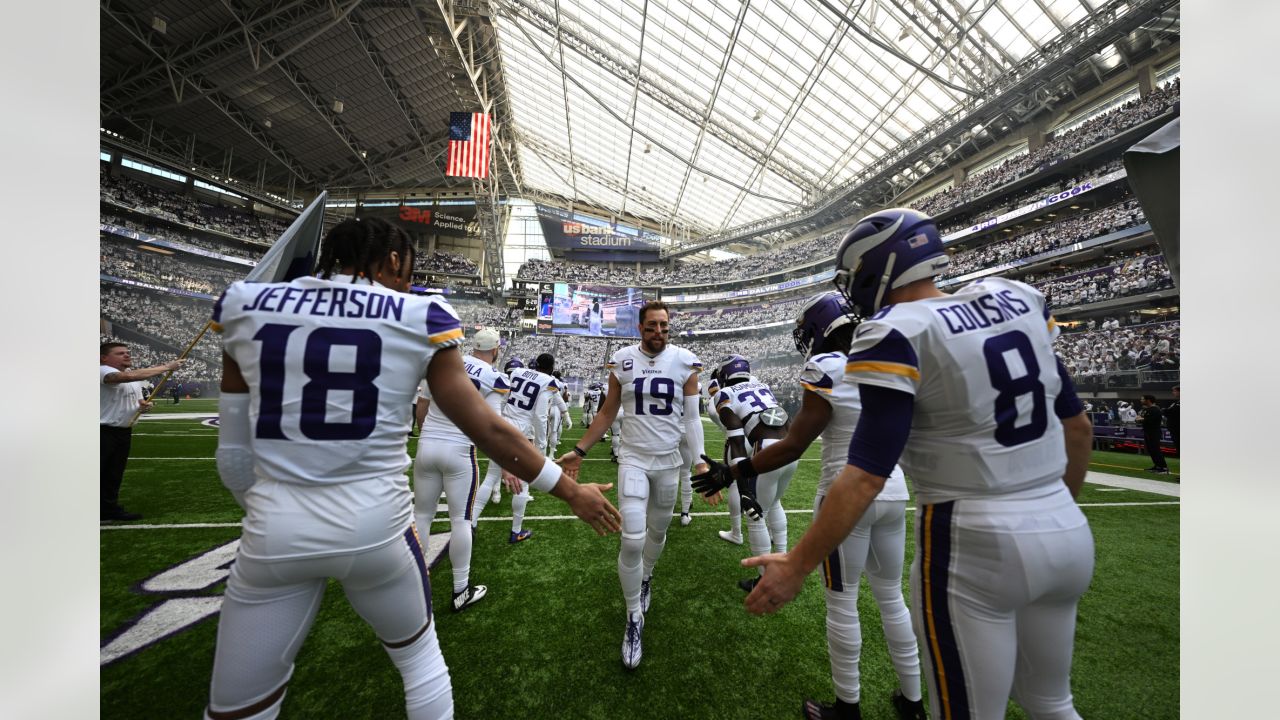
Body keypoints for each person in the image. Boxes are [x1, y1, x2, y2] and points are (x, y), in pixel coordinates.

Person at [204, 217, 620, 720]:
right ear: (396, 261)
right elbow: (490, 430)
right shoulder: (421, 316)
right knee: (420, 666)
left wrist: (276, 511)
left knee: (238, 707)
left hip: (275, 532)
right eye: (409, 268)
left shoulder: (245, 303)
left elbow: (233, 460)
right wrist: (570, 492)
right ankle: (463, 582)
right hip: (375, 527)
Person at [743, 208, 1095, 720]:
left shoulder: (895, 330)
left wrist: (797, 565)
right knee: (1052, 703)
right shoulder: (1016, 299)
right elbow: (1078, 428)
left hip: (975, 539)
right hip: (1065, 529)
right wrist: (1053, 512)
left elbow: (865, 474)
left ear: (875, 269)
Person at [694, 291, 925, 720]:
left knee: (842, 601)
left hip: (844, 494)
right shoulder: (888, 362)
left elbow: (795, 444)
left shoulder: (826, 366)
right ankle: (913, 703)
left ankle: (847, 707)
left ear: (819, 330)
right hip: (893, 490)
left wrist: (732, 472)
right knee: (892, 598)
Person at [557, 301, 709, 670]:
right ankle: (633, 618)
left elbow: (692, 418)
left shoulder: (685, 361)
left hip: (670, 461)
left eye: (664, 326)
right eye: (652, 326)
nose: (659, 332)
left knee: (657, 535)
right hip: (634, 459)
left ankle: (646, 580)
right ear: (640, 327)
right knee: (632, 538)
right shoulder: (623, 360)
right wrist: (579, 450)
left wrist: (701, 458)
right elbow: (609, 411)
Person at [413, 327, 507, 613]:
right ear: (496, 350)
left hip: (427, 445)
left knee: (422, 515)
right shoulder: (493, 378)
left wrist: (427, 435)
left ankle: (413, 585)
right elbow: (492, 425)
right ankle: (460, 590)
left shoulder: (443, 362)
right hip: (459, 450)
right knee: (461, 520)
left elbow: (422, 408)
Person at [709, 354, 799, 593]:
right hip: (791, 449)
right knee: (775, 504)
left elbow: (736, 439)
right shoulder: (763, 385)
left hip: (766, 452)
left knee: (756, 515)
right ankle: (782, 565)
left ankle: (765, 579)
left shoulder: (723, 394)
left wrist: (743, 485)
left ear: (723, 375)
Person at [100, 342, 182, 521]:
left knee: (113, 474)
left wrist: (144, 406)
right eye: (120, 353)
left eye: (128, 352)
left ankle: (107, 509)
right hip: (102, 431)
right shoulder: (102, 371)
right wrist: (166, 367)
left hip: (123, 431)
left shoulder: (134, 378)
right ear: (104, 358)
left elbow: (138, 402)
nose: (127, 355)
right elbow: (121, 378)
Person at [495, 352, 562, 542]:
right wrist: (541, 446)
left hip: (503, 423)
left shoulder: (517, 371)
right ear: (551, 366)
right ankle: (516, 531)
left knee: (491, 477)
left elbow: (503, 399)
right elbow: (540, 416)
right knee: (523, 482)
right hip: (522, 431)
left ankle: (472, 523)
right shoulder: (548, 381)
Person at [1140, 394, 1169, 473]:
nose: (1141, 400)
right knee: (1151, 450)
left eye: (1142, 399)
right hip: (1148, 432)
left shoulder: (1155, 409)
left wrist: (1142, 419)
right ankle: (1157, 466)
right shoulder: (1148, 409)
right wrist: (1142, 419)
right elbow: (1140, 418)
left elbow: (1149, 420)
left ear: (1148, 400)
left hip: (1154, 433)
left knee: (1156, 450)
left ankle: (1163, 468)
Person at [1165, 386, 1180, 452]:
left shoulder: (1178, 404)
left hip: (1178, 429)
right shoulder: (1176, 403)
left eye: (1174, 391)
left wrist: (1165, 410)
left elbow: (1169, 412)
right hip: (1174, 429)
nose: (1173, 393)